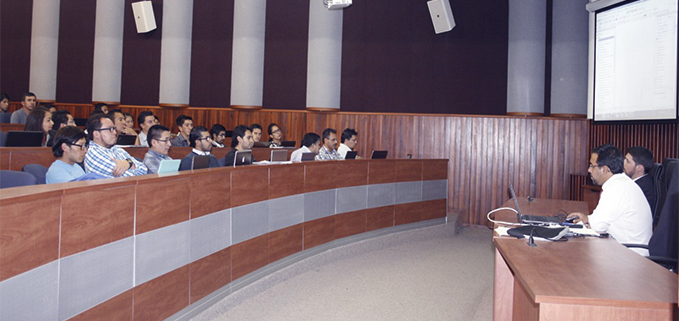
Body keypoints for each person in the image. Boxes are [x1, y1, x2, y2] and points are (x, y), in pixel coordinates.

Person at [567, 144, 652, 256]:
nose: (589, 170)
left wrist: (588, 222)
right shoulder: (621, 183)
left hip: (630, 257)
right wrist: (587, 219)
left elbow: (597, 226)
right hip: (623, 251)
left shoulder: (617, 188)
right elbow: (599, 222)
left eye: (592, 166)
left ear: (605, 170)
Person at [84, 113, 147, 178]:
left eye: (114, 128)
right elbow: (129, 178)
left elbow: (145, 169)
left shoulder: (116, 148)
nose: (114, 132)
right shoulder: (93, 153)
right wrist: (133, 166)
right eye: (109, 129)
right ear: (96, 134)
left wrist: (129, 163)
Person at [624, 146, 657, 213]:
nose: (623, 163)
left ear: (639, 168)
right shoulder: (639, 182)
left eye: (627, 161)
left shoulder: (642, 188)